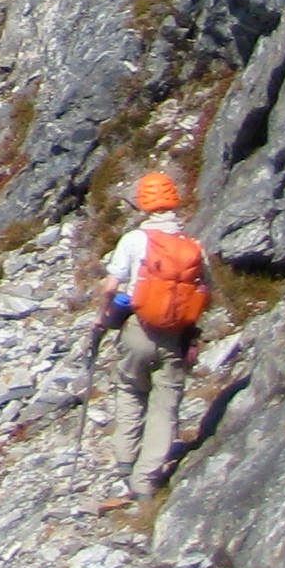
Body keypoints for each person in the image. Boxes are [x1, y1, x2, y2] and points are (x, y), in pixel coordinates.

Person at [97, 171, 210, 502]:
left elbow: (111, 286)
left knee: (131, 390)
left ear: (144, 205)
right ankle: (145, 482)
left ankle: (124, 461)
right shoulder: (193, 247)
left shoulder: (134, 240)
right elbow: (207, 292)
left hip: (136, 330)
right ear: (175, 202)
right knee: (165, 408)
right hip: (175, 337)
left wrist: (103, 319)